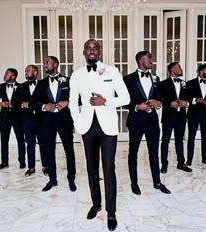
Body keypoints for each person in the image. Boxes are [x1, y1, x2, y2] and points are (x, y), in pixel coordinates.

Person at [70, 39, 130, 231]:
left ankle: (111, 212)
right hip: (87, 127)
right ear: (83, 52)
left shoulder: (112, 71)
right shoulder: (77, 75)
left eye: (95, 48)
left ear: (100, 52)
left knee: (109, 169)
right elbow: (72, 102)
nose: (92, 51)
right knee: (91, 169)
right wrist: (77, 122)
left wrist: (106, 101)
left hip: (108, 128)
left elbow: (126, 98)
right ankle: (96, 204)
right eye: (88, 48)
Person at [123, 51, 171, 196]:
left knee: (154, 153)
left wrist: (159, 102)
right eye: (149, 57)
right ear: (140, 60)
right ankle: (134, 183)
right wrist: (137, 106)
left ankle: (157, 182)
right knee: (133, 153)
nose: (152, 60)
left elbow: (161, 97)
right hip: (136, 121)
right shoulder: (128, 79)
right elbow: (123, 100)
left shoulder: (156, 79)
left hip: (152, 122)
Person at [29, 56, 76, 192]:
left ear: (55, 64)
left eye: (47, 62)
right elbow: (32, 103)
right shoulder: (41, 83)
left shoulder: (68, 81)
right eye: (44, 63)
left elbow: (78, 98)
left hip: (64, 121)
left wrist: (67, 102)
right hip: (47, 122)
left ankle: (71, 180)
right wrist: (44, 106)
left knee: (69, 151)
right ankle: (52, 180)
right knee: (49, 151)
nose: (44, 65)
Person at [11, 65, 48, 176]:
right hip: (27, 121)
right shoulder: (21, 87)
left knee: (43, 144)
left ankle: (45, 166)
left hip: (42, 119)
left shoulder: (44, 84)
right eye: (25, 71)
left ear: (35, 72)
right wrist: (22, 104)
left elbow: (48, 99)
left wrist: (36, 105)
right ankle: (31, 167)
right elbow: (13, 102)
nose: (26, 72)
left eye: (28, 70)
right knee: (30, 144)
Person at [160, 62, 192, 174]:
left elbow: (189, 98)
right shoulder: (163, 84)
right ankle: (164, 164)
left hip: (181, 117)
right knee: (165, 141)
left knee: (180, 140)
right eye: (179, 67)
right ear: (173, 69)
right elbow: (159, 99)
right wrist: (169, 103)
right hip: (168, 117)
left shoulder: (185, 83)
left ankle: (181, 163)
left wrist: (186, 103)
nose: (181, 69)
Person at [0, 68, 26, 169]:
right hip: (4, 117)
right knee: (4, 139)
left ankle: (22, 161)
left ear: (13, 76)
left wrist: (16, 105)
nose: (4, 75)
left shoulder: (21, 87)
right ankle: (4, 162)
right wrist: (0, 103)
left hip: (18, 117)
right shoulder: (0, 86)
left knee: (20, 139)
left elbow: (25, 102)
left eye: (7, 74)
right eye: (5, 73)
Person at [186, 64, 206, 166]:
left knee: (205, 136)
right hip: (193, 113)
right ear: (201, 72)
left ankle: (205, 158)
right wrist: (195, 100)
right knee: (191, 136)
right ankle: (189, 159)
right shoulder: (190, 83)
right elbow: (186, 97)